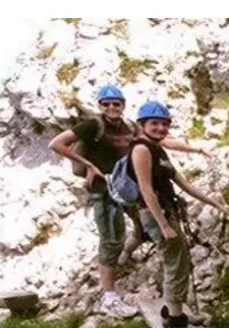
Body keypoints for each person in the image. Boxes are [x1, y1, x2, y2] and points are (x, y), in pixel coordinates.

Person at [48, 85, 212, 316]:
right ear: (100, 106)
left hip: (127, 189)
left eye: (116, 103)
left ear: (123, 105)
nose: (112, 108)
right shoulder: (93, 125)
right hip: (103, 189)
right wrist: (89, 166)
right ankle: (109, 296)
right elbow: (56, 144)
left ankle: (122, 258)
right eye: (107, 104)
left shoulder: (132, 127)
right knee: (111, 238)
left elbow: (163, 141)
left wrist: (195, 150)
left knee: (144, 230)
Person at [128, 100, 227, 328]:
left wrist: (214, 203)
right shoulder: (141, 149)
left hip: (165, 212)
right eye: (155, 123)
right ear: (143, 124)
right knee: (176, 264)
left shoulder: (157, 149)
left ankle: (172, 311)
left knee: (177, 261)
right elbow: (146, 190)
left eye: (164, 124)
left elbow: (184, 184)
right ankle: (178, 324)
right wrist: (163, 224)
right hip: (156, 214)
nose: (160, 128)